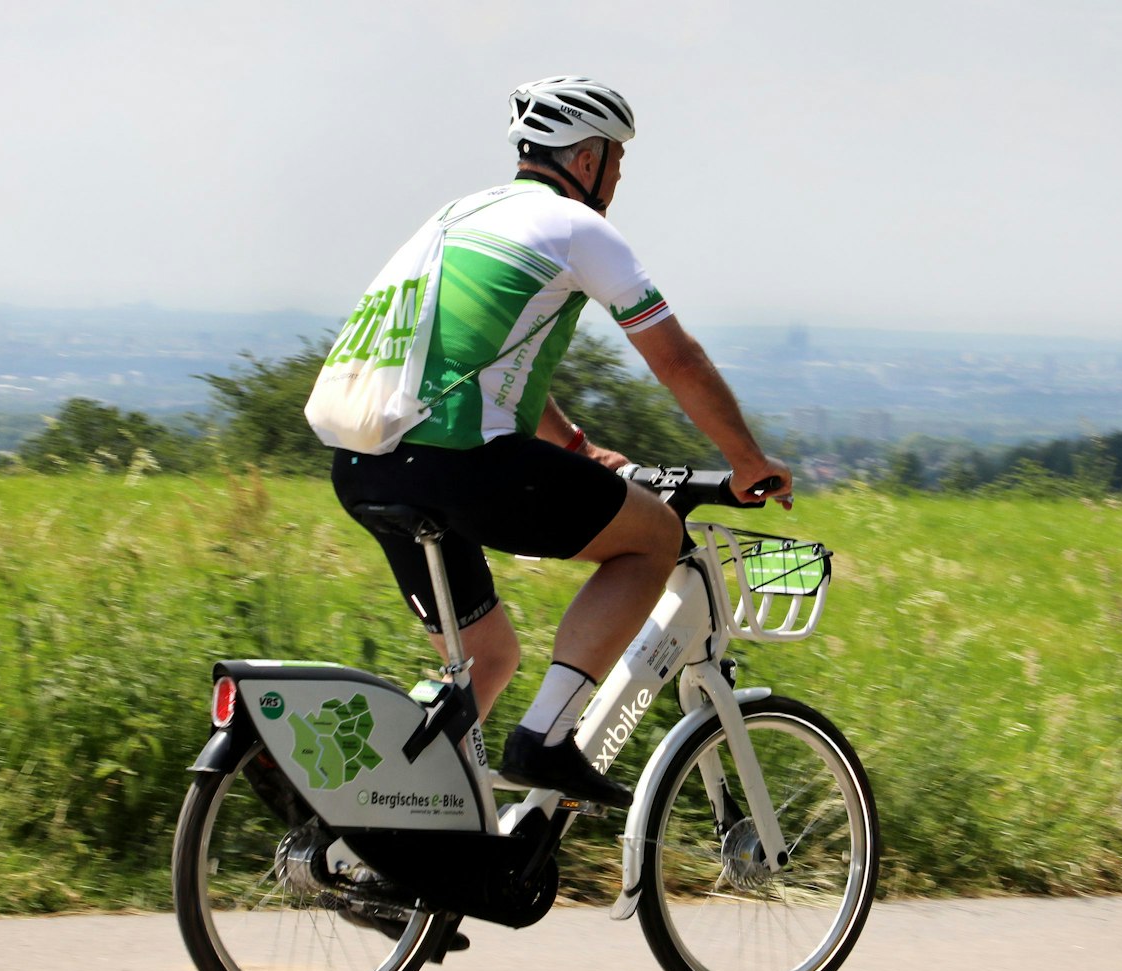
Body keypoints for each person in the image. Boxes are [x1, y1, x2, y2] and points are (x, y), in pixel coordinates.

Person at [326, 76, 791, 810]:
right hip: (459, 466)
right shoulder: (579, 229)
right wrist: (747, 459)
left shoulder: (457, 214)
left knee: (487, 659)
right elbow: (677, 360)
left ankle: (382, 831)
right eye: (617, 162)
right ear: (586, 160)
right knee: (655, 536)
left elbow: (482, 360)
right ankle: (544, 739)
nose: (617, 180)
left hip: (362, 465)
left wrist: (572, 442)